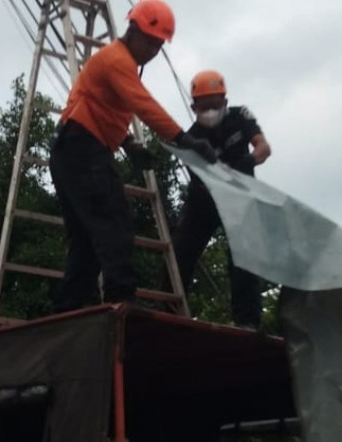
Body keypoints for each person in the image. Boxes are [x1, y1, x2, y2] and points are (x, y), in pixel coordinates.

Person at [50, 0, 218, 314]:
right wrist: (186, 139)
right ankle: (121, 300)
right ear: (133, 31)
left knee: (86, 240)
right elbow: (143, 104)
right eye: (151, 43)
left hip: (73, 150)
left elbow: (100, 105)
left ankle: (67, 310)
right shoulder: (117, 60)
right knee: (115, 219)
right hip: (80, 149)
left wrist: (128, 143)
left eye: (159, 47)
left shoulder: (120, 64)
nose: (153, 52)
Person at [170, 70, 273, 330]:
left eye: (216, 105)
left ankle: (247, 321)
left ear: (225, 102)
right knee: (181, 252)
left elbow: (263, 147)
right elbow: (200, 180)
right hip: (206, 200)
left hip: (242, 198)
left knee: (244, 256)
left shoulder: (240, 117)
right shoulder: (192, 137)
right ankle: (170, 310)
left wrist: (249, 160)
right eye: (205, 107)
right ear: (195, 108)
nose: (212, 111)